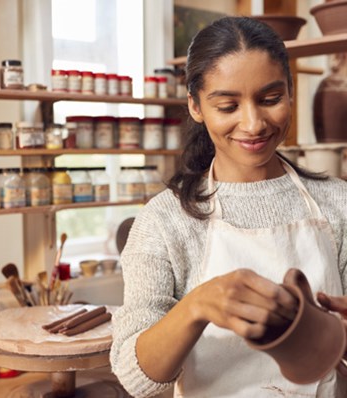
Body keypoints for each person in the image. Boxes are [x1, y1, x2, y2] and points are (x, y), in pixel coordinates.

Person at [110, 16, 347, 398]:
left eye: (271, 99)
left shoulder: (338, 203)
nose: (253, 123)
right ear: (196, 106)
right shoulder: (165, 220)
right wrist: (197, 306)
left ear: (290, 92)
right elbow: (135, 376)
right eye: (227, 105)